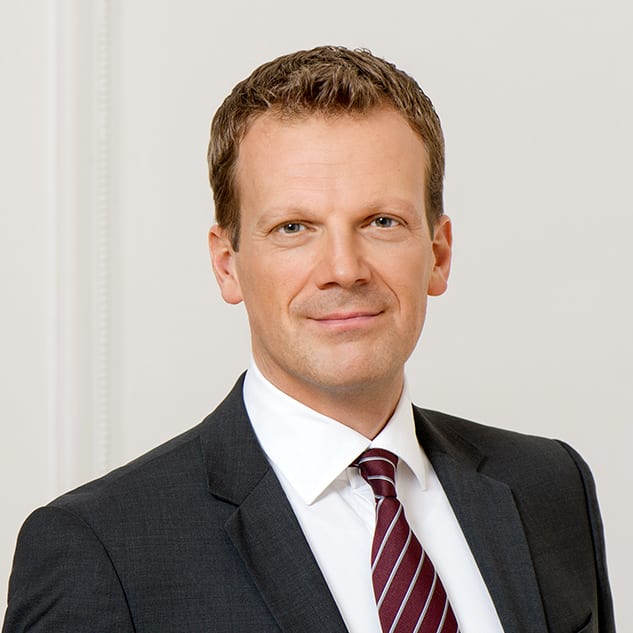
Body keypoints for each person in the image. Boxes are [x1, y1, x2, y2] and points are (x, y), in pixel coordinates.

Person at [2, 46, 614, 633]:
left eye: (382, 222)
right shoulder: (101, 553)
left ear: (439, 253)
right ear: (226, 265)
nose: (344, 269)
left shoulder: (550, 487)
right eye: (294, 227)